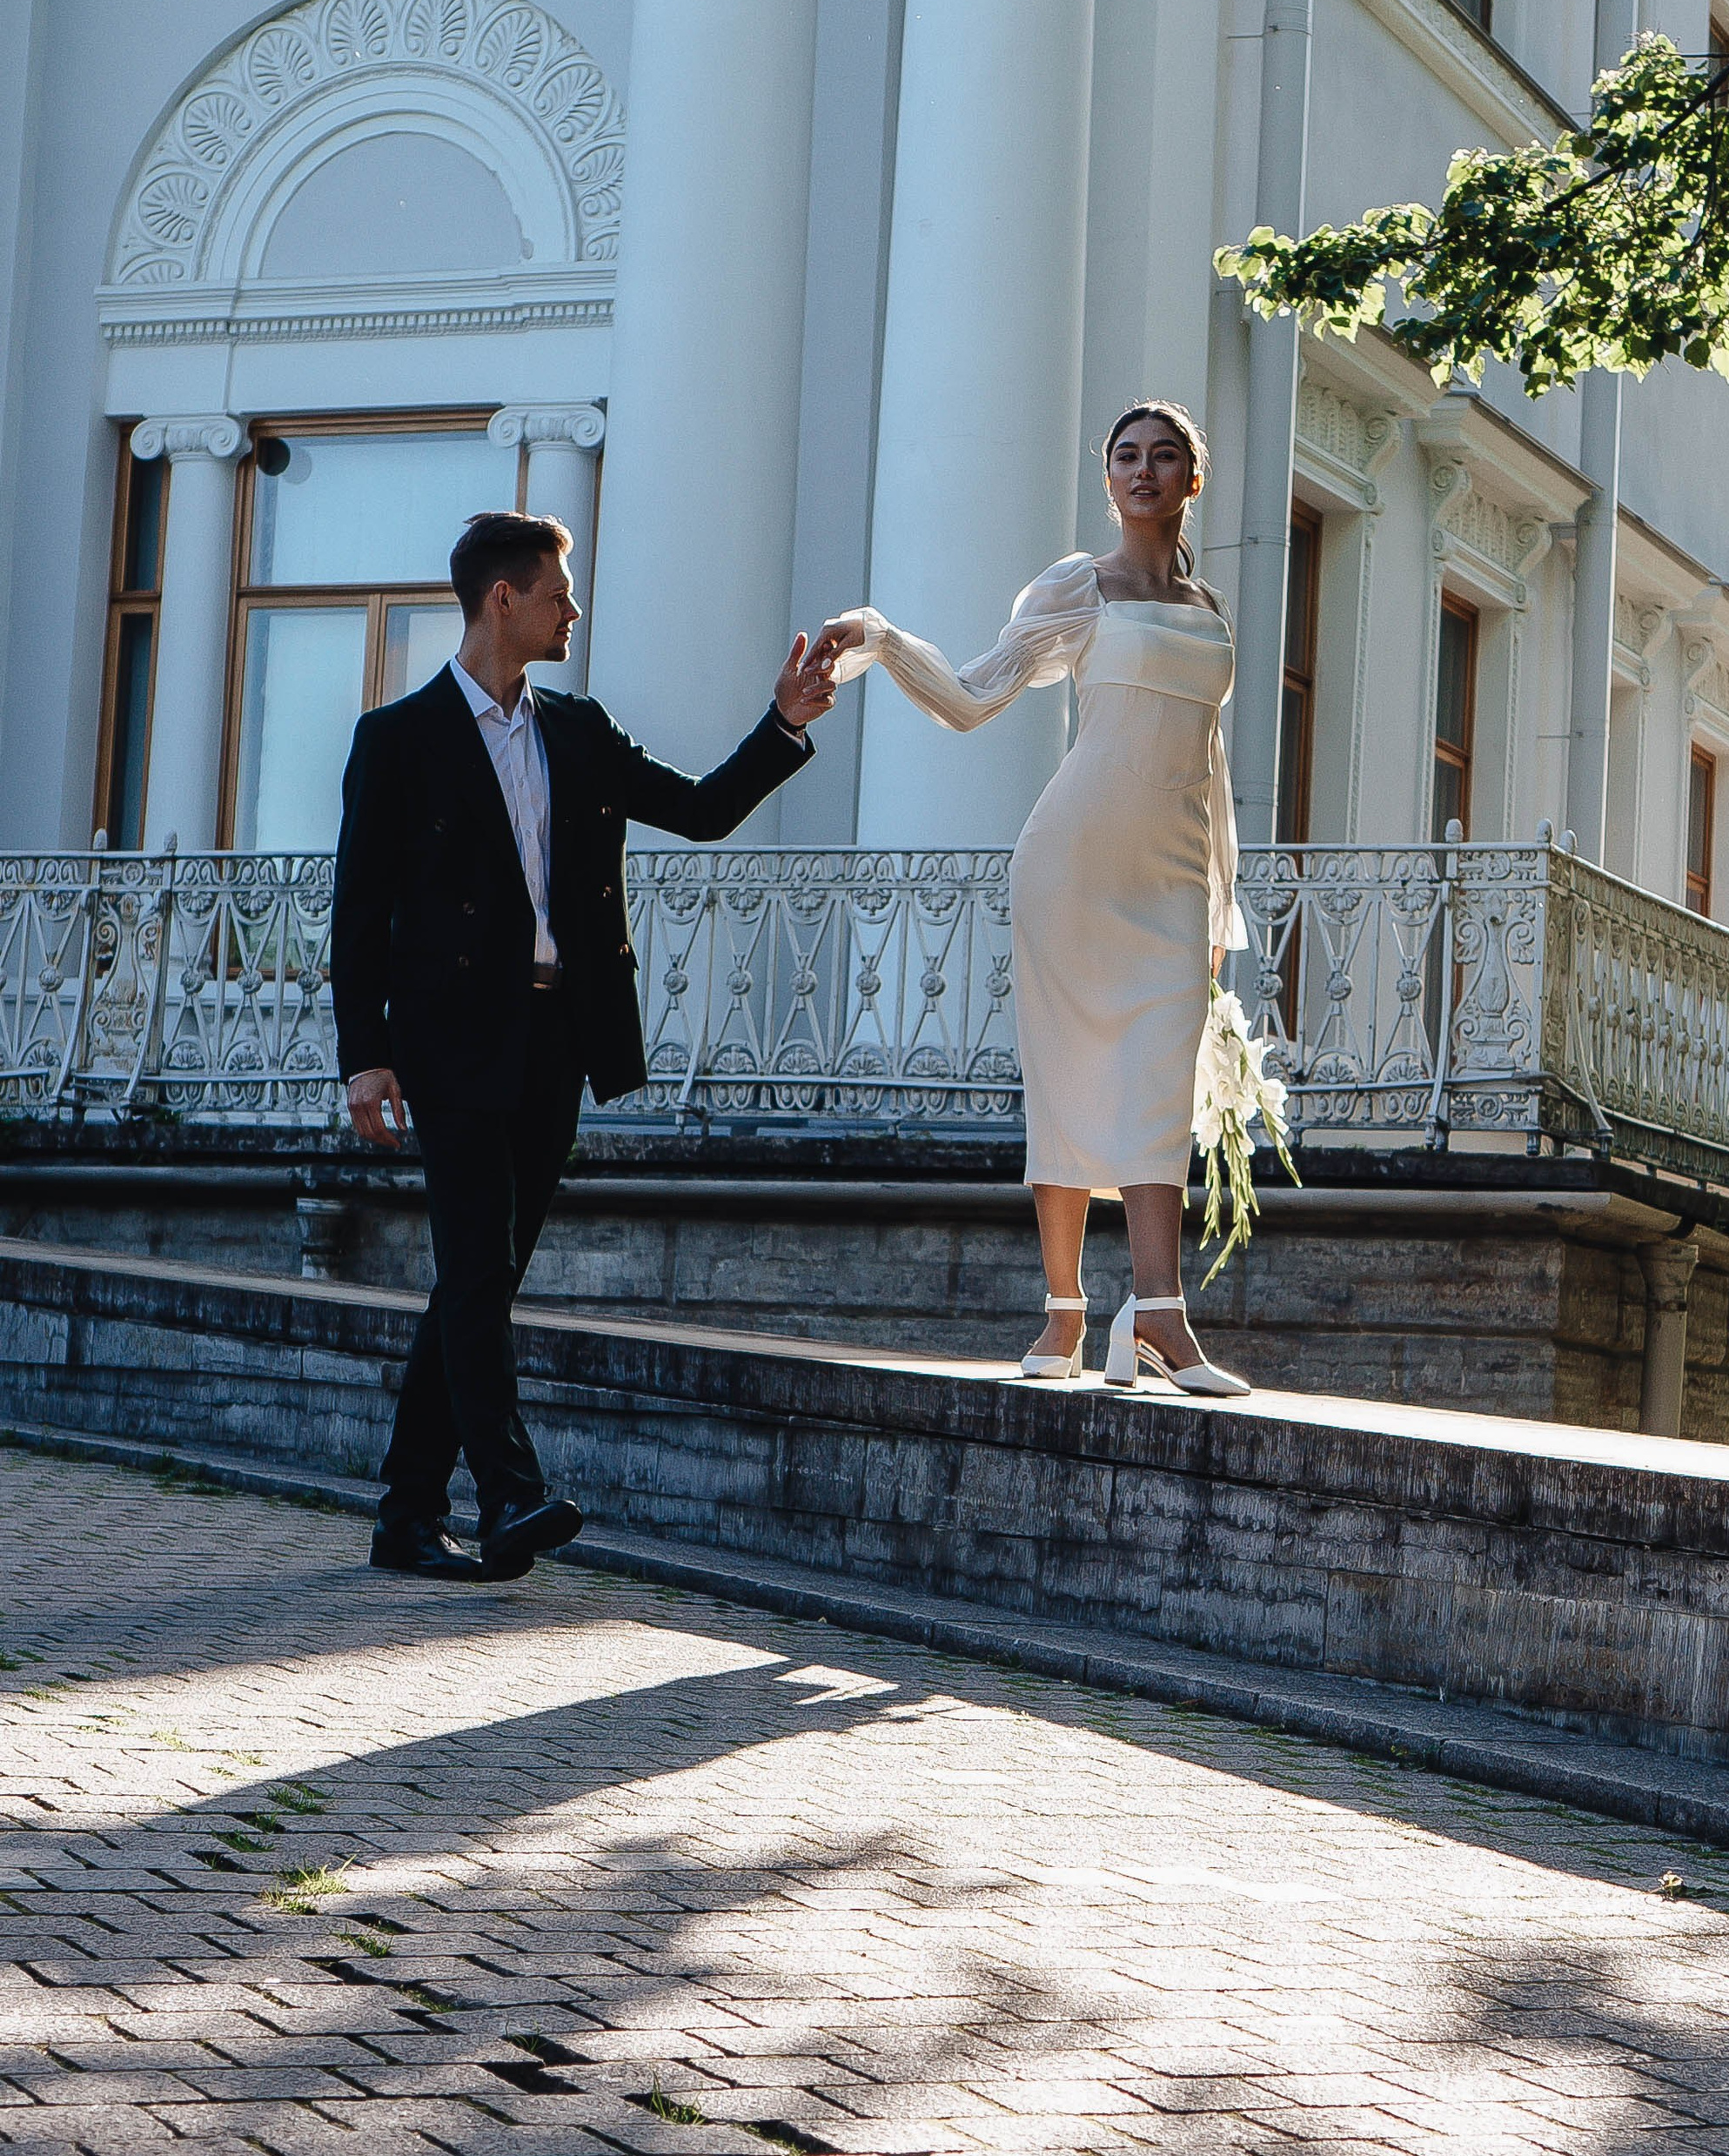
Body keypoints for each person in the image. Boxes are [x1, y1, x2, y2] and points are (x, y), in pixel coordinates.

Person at [332, 511, 841, 1580]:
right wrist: (364, 1055)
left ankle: (407, 1515)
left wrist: (782, 724)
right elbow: (357, 910)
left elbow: (700, 812)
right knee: (474, 1267)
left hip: (557, 1035)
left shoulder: (579, 727)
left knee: (483, 1277)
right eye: (560, 592)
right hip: (449, 1039)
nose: (576, 609)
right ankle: (511, 1492)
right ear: (502, 599)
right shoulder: (398, 739)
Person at [824, 402, 1250, 1397]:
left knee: (1158, 1091)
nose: (1142, 471)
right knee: (1069, 1078)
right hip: (1073, 864)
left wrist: (1221, 898)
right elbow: (974, 698)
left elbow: (1212, 763)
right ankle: (1064, 1312)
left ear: (1195, 478)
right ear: (1107, 479)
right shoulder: (1079, 587)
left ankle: (1157, 1322)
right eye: (1125, 457)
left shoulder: (1209, 606)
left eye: (1165, 457)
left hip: (1176, 871)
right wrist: (884, 641)